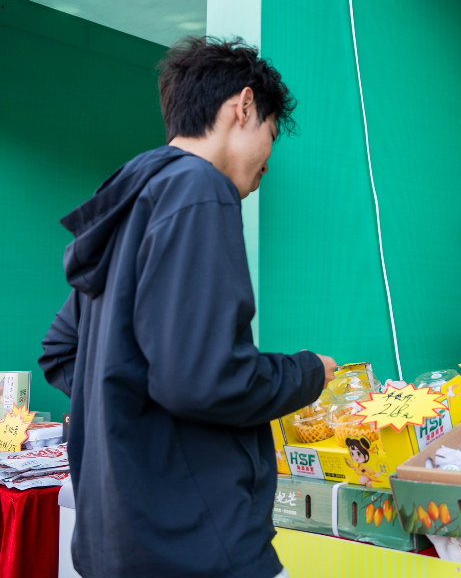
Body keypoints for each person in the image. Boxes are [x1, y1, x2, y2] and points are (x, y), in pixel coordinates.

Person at [38, 37, 338, 578]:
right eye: (271, 135)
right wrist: (307, 372)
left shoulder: (132, 202)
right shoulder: (200, 188)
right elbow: (202, 379)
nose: (268, 161)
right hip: (196, 543)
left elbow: (62, 351)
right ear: (242, 106)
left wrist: (131, 408)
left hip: (116, 539)